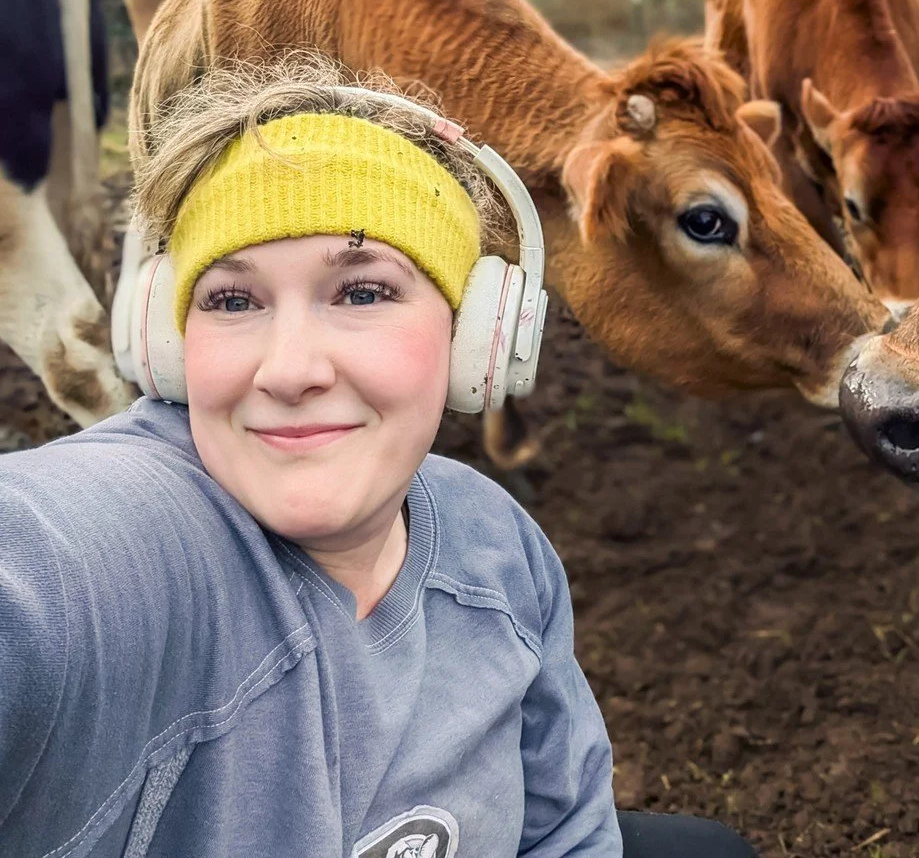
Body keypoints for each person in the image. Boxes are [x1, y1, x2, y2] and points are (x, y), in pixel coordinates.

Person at [0, 59, 756, 858]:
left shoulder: (495, 544)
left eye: (362, 292)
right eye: (232, 299)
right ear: (166, 348)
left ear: (477, 338)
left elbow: (566, 830)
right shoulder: (123, 549)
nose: (289, 370)